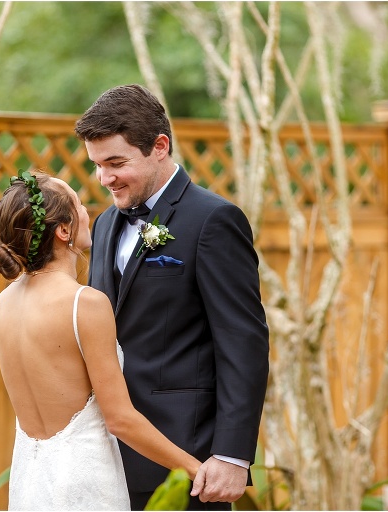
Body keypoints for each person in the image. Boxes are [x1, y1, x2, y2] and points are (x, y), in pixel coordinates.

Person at [75, 84, 270, 511]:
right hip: (110, 459)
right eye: (96, 165)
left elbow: (243, 343)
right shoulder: (105, 224)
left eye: (115, 163)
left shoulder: (214, 220)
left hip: (190, 461)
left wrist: (232, 455)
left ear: (159, 147)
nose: (104, 178)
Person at [0, 170, 202, 510]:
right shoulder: (84, 304)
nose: (87, 209)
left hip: (30, 484)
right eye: (78, 202)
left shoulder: (5, 302)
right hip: (85, 486)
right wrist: (196, 468)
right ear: (64, 230)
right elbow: (120, 419)